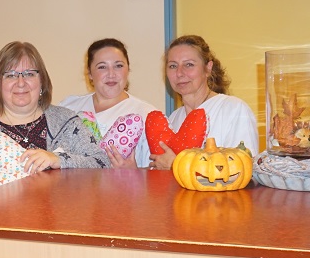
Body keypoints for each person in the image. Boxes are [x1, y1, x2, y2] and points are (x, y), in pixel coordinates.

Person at [0, 41, 109, 202]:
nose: (20, 83)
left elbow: (103, 165)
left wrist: (58, 160)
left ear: (42, 81)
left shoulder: (66, 122)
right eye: (10, 75)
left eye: (29, 74)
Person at [147, 34, 259, 169]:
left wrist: (175, 165)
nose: (179, 73)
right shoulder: (174, 118)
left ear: (208, 68)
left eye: (189, 64)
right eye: (172, 66)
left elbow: (243, 168)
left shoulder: (234, 110)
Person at [60, 38, 157, 168]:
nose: (111, 74)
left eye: (118, 66)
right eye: (102, 67)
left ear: (128, 69)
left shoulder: (147, 114)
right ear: (89, 73)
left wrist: (135, 172)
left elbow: (159, 172)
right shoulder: (69, 107)